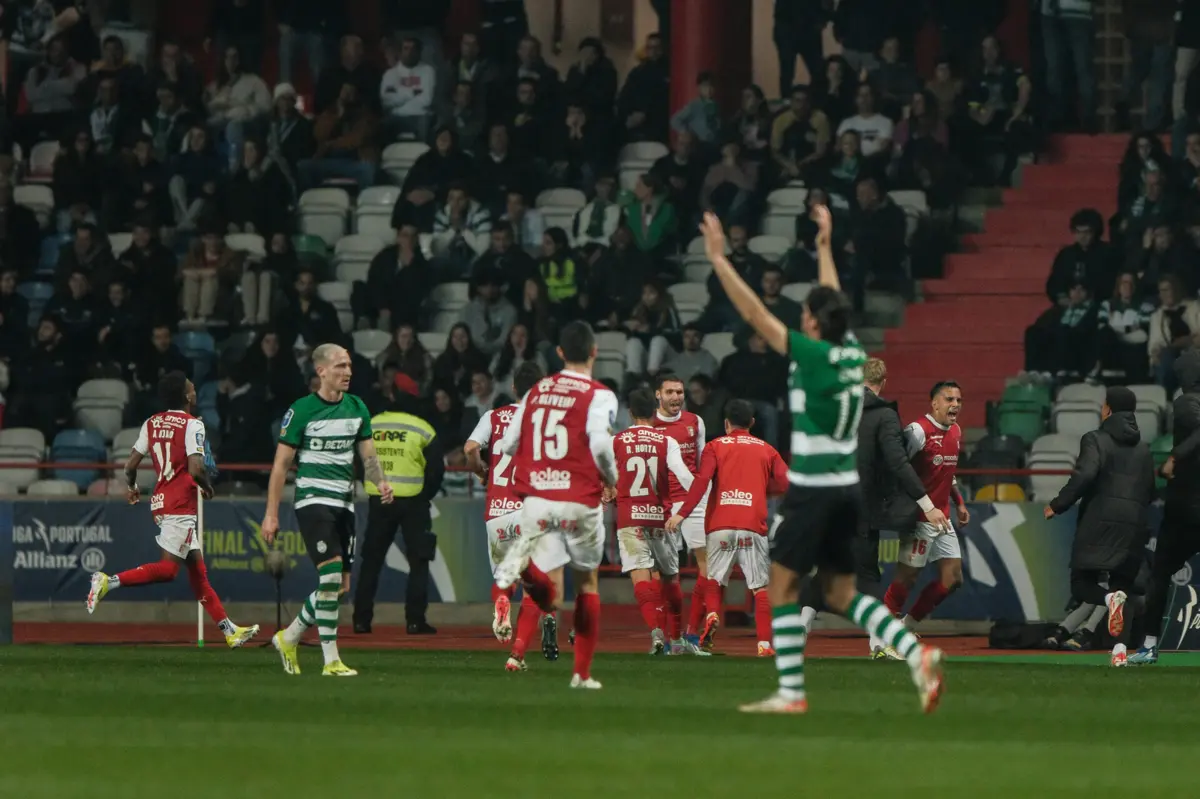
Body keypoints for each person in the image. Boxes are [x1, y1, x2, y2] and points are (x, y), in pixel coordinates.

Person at [698, 207, 942, 714]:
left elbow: (753, 315)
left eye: (807, 313)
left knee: (783, 585)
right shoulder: (853, 353)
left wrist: (720, 261)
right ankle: (914, 653)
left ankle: (790, 692)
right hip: (848, 491)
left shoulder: (810, 353)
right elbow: (834, 305)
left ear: (811, 321)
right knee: (837, 590)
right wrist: (826, 246)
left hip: (811, 489)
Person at [85, 372, 260, 649]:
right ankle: (108, 581)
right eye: (191, 388)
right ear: (187, 396)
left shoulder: (151, 423)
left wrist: (131, 488)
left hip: (161, 500)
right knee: (168, 570)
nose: (194, 391)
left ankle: (230, 631)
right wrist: (207, 486)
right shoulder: (193, 425)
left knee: (198, 574)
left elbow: (129, 466)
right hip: (180, 503)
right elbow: (196, 468)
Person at [492, 321, 619, 690]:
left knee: (547, 587)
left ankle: (525, 572)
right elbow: (598, 445)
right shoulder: (600, 395)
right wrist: (610, 477)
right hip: (579, 498)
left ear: (559, 353)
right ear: (594, 351)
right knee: (586, 584)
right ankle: (581, 674)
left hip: (538, 500)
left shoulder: (535, 393)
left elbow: (509, 445)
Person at [798, 357, 948, 657]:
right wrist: (927, 503)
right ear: (884, 381)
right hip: (861, 507)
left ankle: (796, 633)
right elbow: (898, 462)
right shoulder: (883, 416)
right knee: (867, 575)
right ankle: (878, 643)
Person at [262, 344, 395, 678]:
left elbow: (369, 457)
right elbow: (280, 466)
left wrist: (381, 482)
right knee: (331, 574)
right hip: (313, 501)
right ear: (321, 371)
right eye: (339, 366)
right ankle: (331, 661)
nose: (347, 372)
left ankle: (289, 636)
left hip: (345, 505)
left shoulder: (357, 408)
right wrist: (271, 513)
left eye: (349, 365)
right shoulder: (302, 411)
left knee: (337, 586)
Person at [668, 399, 789, 657]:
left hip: (720, 524)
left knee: (714, 578)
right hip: (752, 526)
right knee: (759, 588)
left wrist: (682, 514)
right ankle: (765, 645)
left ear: (726, 424)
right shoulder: (767, 449)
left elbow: (701, 482)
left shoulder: (715, 446)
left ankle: (712, 614)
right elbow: (787, 482)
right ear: (752, 423)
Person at [1044, 386, 1154, 651]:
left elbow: (1084, 475)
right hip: (1135, 524)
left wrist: (1058, 505)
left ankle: (1107, 600)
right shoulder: (1144, 448)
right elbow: (1151, 489)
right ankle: (1119, 653)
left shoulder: (1094, 439)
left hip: (1100, 520)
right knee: (1122, 588)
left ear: (1107, 409)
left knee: (1082, 585)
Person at [464, 361, 557, 668]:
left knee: (506, 575)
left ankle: (501, 601)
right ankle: (516, 655)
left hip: (497, 513)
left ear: (514, 388)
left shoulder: (494, 416)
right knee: (533, 589)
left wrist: (481, 472)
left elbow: (469, 448)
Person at [880, 382, 969, 655]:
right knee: (907, 577)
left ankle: (904, 628)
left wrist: (959, 503)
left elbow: (947, 473)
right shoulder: (918, 431)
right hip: (920, 515)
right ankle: (883, 637)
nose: (955, 404)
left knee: (953, 577)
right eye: (949, 399)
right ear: (934, 403)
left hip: (942, 517)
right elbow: (898, 469)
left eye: (958, 399)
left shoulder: (956, 431)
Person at [353, 374, 445, 636]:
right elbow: (437, 469)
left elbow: (359, 460)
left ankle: (361, 620)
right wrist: (424, 494)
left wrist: (371, 485)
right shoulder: (422, 428)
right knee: (418, 561)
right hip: (414, 503)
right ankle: (415, 621)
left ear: (391, 395)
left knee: (371, 560)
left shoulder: (372, 423)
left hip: (379, 501)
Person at [612, 388, 695, 655]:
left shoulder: (618, 440)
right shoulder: (666, 441)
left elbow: (606, 476)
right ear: (653, 411)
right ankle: (678, 640)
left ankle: (656, 632)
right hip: (661, 518)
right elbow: (684, 476)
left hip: (630, 519)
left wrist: (608, 490)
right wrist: (693, 505)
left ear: (629, 413)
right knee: (670, 580)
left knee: (642, 579)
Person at [1131, 350, 1200, 664]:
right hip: (1186, 505)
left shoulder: (1186, 402)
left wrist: (1175, 456)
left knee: (1159, 575)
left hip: (1185, 508)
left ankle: (1148, 646)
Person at [651, 372, 711, 654]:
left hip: (694, 502)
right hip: (663, 505)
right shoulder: (647, 425)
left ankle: (692, 634)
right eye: (670, 392)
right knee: (665, 574)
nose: (676, 397)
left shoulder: (695, 422)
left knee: (707, 568)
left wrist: (705, 496)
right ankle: (665, 635)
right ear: (658, 395)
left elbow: (700, 463)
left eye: (679, 392)